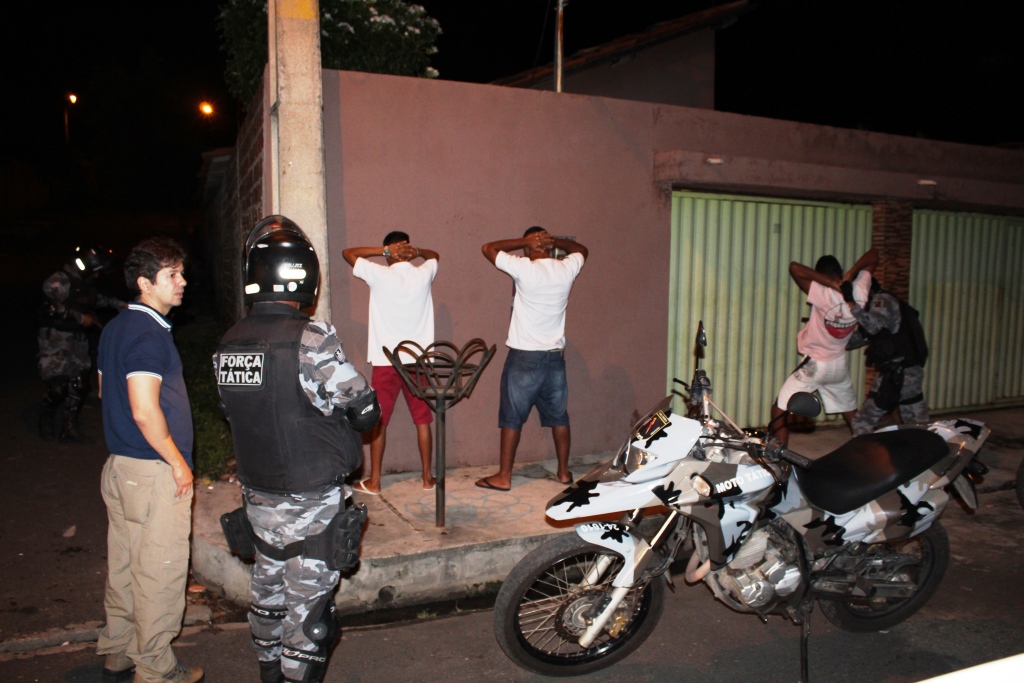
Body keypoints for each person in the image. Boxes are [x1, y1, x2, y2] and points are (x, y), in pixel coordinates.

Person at [215, 216, 380, 683]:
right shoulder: (311, 338)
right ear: (305, 275)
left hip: (258, 497)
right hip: (310, 502)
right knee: (310, 618)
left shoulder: (229, 342)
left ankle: (269, 672)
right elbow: (364, 409)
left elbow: (234, 410)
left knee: (268, 599)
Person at [94, 238, 202, 683]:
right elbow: (143, 408)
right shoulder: (147, 333)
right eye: (171, 274)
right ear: (145, 283)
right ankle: (156, 670)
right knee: (159, 571)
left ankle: (119, 652)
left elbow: (106, 392)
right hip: (153, 471)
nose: (182, 282)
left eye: (181, 272)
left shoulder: (116, 327)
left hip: (121, 468)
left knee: (125, 566)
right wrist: (177, 462)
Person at [476, 226, 588, 491]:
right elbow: (582, 250)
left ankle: (504, 476)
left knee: (512, 418)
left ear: (528, 248)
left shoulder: (524, 268)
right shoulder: (565, 269)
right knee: (559, 417)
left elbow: (488, 248)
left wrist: (525, 241)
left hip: (524, 358)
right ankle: (563, 472)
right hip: (554, 359)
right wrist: (553, 241)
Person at [342, 232, 439, 495]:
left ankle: (375, 481)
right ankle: (427, 478)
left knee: (379, 421)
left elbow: (348, 254)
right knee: (422, 420)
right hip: (417, 360)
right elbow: (435, 256)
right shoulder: (423, 274)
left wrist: (385, 251)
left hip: (387, 361)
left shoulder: (379, 274)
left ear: (389, 252)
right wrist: (417, 251)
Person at [770, 248, 878, 445]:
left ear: (820, 276)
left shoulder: (823, 293)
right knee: (851, 413)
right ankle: (870, 449)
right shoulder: (859, 292)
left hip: (816, 365)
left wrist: (830, 284)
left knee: (779, 410)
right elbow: (874, 255)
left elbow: (794, 267)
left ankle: (777, 457)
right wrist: (851, 274)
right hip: (839, 365)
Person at [38, 245, 126, 442]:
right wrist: (80, 318)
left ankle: (69, 428)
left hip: (78, 339)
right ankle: (46, 414)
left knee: (79, 384)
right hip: (56, 339)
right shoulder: (58, 281)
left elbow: (95, 299)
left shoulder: (83, 283)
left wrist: (121, 305)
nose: (97, 276)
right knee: (58, 386)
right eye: (96, 271)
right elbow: (52, 308)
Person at [846, 278, 930, 435]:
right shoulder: (883, 304)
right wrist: (831, 340)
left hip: (897, 372)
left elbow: (873, 327)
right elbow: (865, 335)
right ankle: (927, 446)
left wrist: (851, 303)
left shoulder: (882, 300)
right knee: (916, 421)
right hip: (909, 370)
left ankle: (863, 450)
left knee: (863, 421)